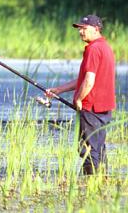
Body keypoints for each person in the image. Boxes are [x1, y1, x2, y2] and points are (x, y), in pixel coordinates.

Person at [45, 14, 116, 175]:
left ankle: (91, 184)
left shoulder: (93, 49)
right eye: (79, 29)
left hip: (91, 107)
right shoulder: (105, 47)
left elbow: (89, 81)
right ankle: (101, 181)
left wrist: (78, 98)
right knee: (98, 147)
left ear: (96, 29)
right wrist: (59, 89)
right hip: (104, 107)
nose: (81, 32)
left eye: (84, 29)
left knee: (88, 149)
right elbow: (84, 79)